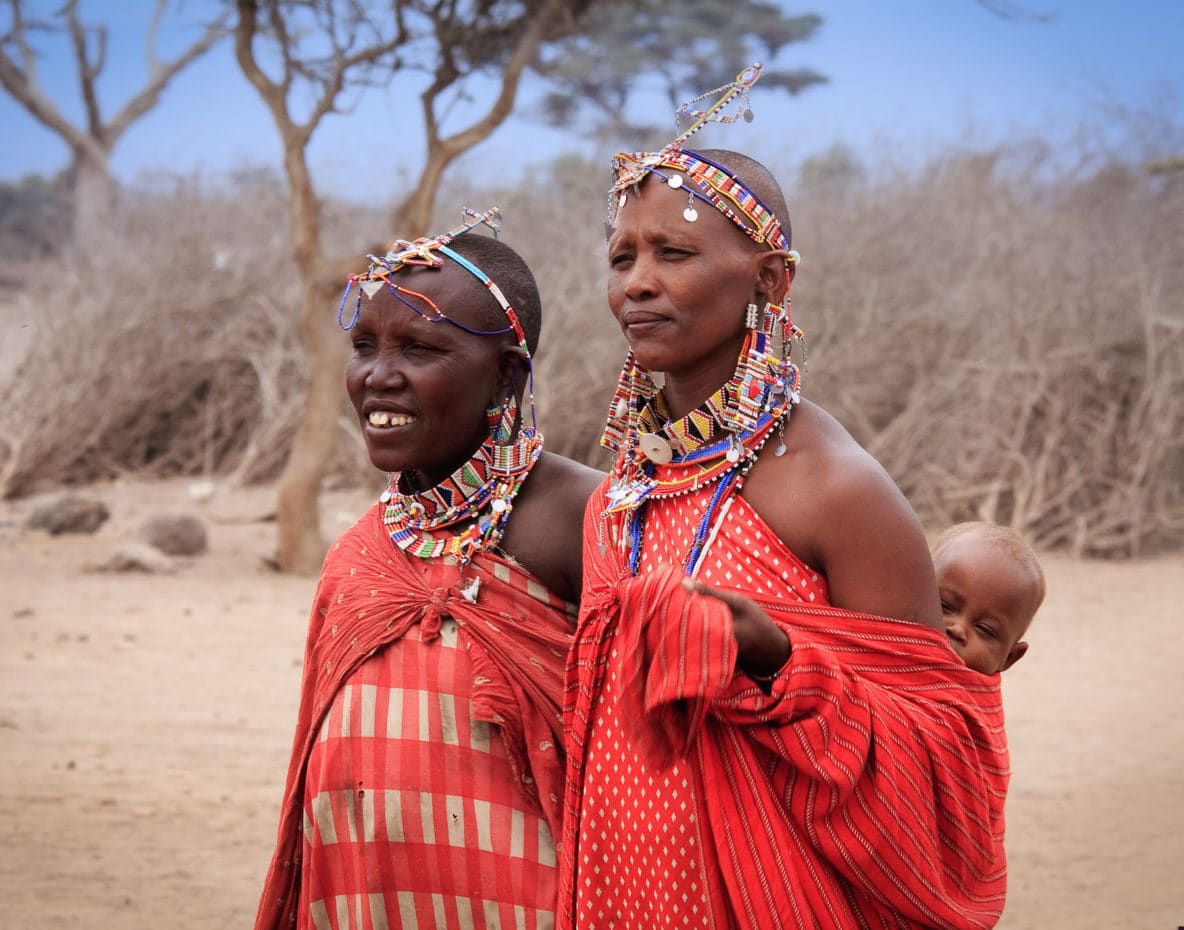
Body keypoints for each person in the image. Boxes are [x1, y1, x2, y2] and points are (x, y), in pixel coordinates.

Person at [558, 66, 1010, 929]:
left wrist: (774, 661)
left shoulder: (834, 488)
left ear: (768, 281)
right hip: (622, 889)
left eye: (674, 253)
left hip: (775, 897)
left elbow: (944, 760)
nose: (636, 282)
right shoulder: (620, 490)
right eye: (623, 257)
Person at [255, 209, 602, 930]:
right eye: (363, 346)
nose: (378, 376)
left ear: (506, 375)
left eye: (419, 348)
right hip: (363, 903)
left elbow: (642, 761)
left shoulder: (580, 520)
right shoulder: (362, 550)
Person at [934, 521, 1045, 675]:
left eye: (984, 629)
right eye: (943, 606)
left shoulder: (968, 699)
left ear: (1009, 658)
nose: (957, 629)